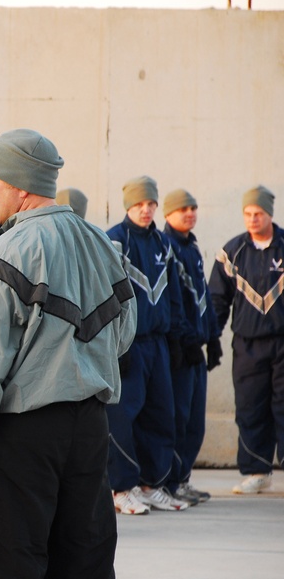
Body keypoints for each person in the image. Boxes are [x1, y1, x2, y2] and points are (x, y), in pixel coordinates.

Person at [0, 129, 135, 579]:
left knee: (15, 573)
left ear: (20, 184)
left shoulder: (5, 254)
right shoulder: (102, 243)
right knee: (88, 569)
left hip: (22, 437)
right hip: (90, 430)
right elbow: (125, 332)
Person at [106, 176, 190, 514]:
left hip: (157, 345)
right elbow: (107, 295)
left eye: (151, 204)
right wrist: (117, 343)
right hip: (129, 345)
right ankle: (121, 488)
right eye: (140, 203)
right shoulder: (114, 240)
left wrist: (177, 338)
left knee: (160, 415)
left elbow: (173, 297)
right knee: (123, 417)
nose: (146, 209)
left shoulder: (162, 244)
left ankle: (151, 484)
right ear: (128, 205)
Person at [209, 185, 284, 495]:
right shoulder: (232, 251)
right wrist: (210, 336)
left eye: (259, 214)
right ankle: (256, 471)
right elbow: (217, 299)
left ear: (270, 214)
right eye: (248, 214)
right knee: (250, 407)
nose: (253, 219)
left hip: (282, 343)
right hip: (247, 345)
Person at [163, 189, 219, 504]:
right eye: (182, 209)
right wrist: (184, 340)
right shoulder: (166, 247)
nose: (189, 213)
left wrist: (212, 337)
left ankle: (183, 478)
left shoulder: (192, 248)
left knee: (195, 419)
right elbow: (173, 304)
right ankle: (170, 479)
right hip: (181, 351)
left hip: (197, 345)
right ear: (168, 214)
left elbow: (203, 297)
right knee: (178, 418)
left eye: (193, 208)